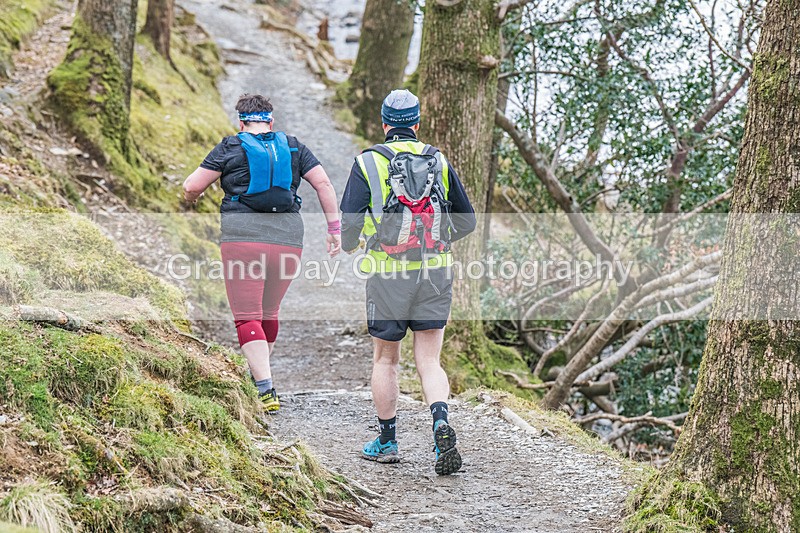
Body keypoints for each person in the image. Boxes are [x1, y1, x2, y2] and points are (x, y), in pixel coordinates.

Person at [340, 89, 476, 475]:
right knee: (430, 360)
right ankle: (440, 424)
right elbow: (467, 222)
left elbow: (349, 222)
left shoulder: (367, 163)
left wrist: (353, 245)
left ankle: (386, 440)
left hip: (388, 272)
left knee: (386, 358)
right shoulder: (439, 160)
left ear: (385, 124)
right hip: (435, 271)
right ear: (417, 123)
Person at [184, 93, 341, 412]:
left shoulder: (230, 146)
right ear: (271, 121)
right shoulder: (294, 145)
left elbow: (191, 186)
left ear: (241, 122)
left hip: (243, 238)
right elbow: (323, 185)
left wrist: (193, 199)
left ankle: (265, 388)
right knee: (269, 310)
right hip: (288, 238)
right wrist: (334, 230)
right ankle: (262, 374)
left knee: (247, 315)